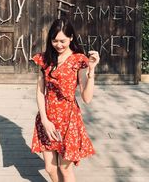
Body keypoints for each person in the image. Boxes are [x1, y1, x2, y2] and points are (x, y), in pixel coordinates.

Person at [31, 18, 100, 182]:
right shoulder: (46, 59)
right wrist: (45, 119)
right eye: (54, 40)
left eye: (63, 40)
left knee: (64, 169)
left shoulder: (78, 60)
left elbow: (87, 98)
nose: (58, 45)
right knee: (50, 168)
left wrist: (91, 71)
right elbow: (41, 91)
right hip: (47, 118)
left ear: (71, 38)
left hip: (69, 121)